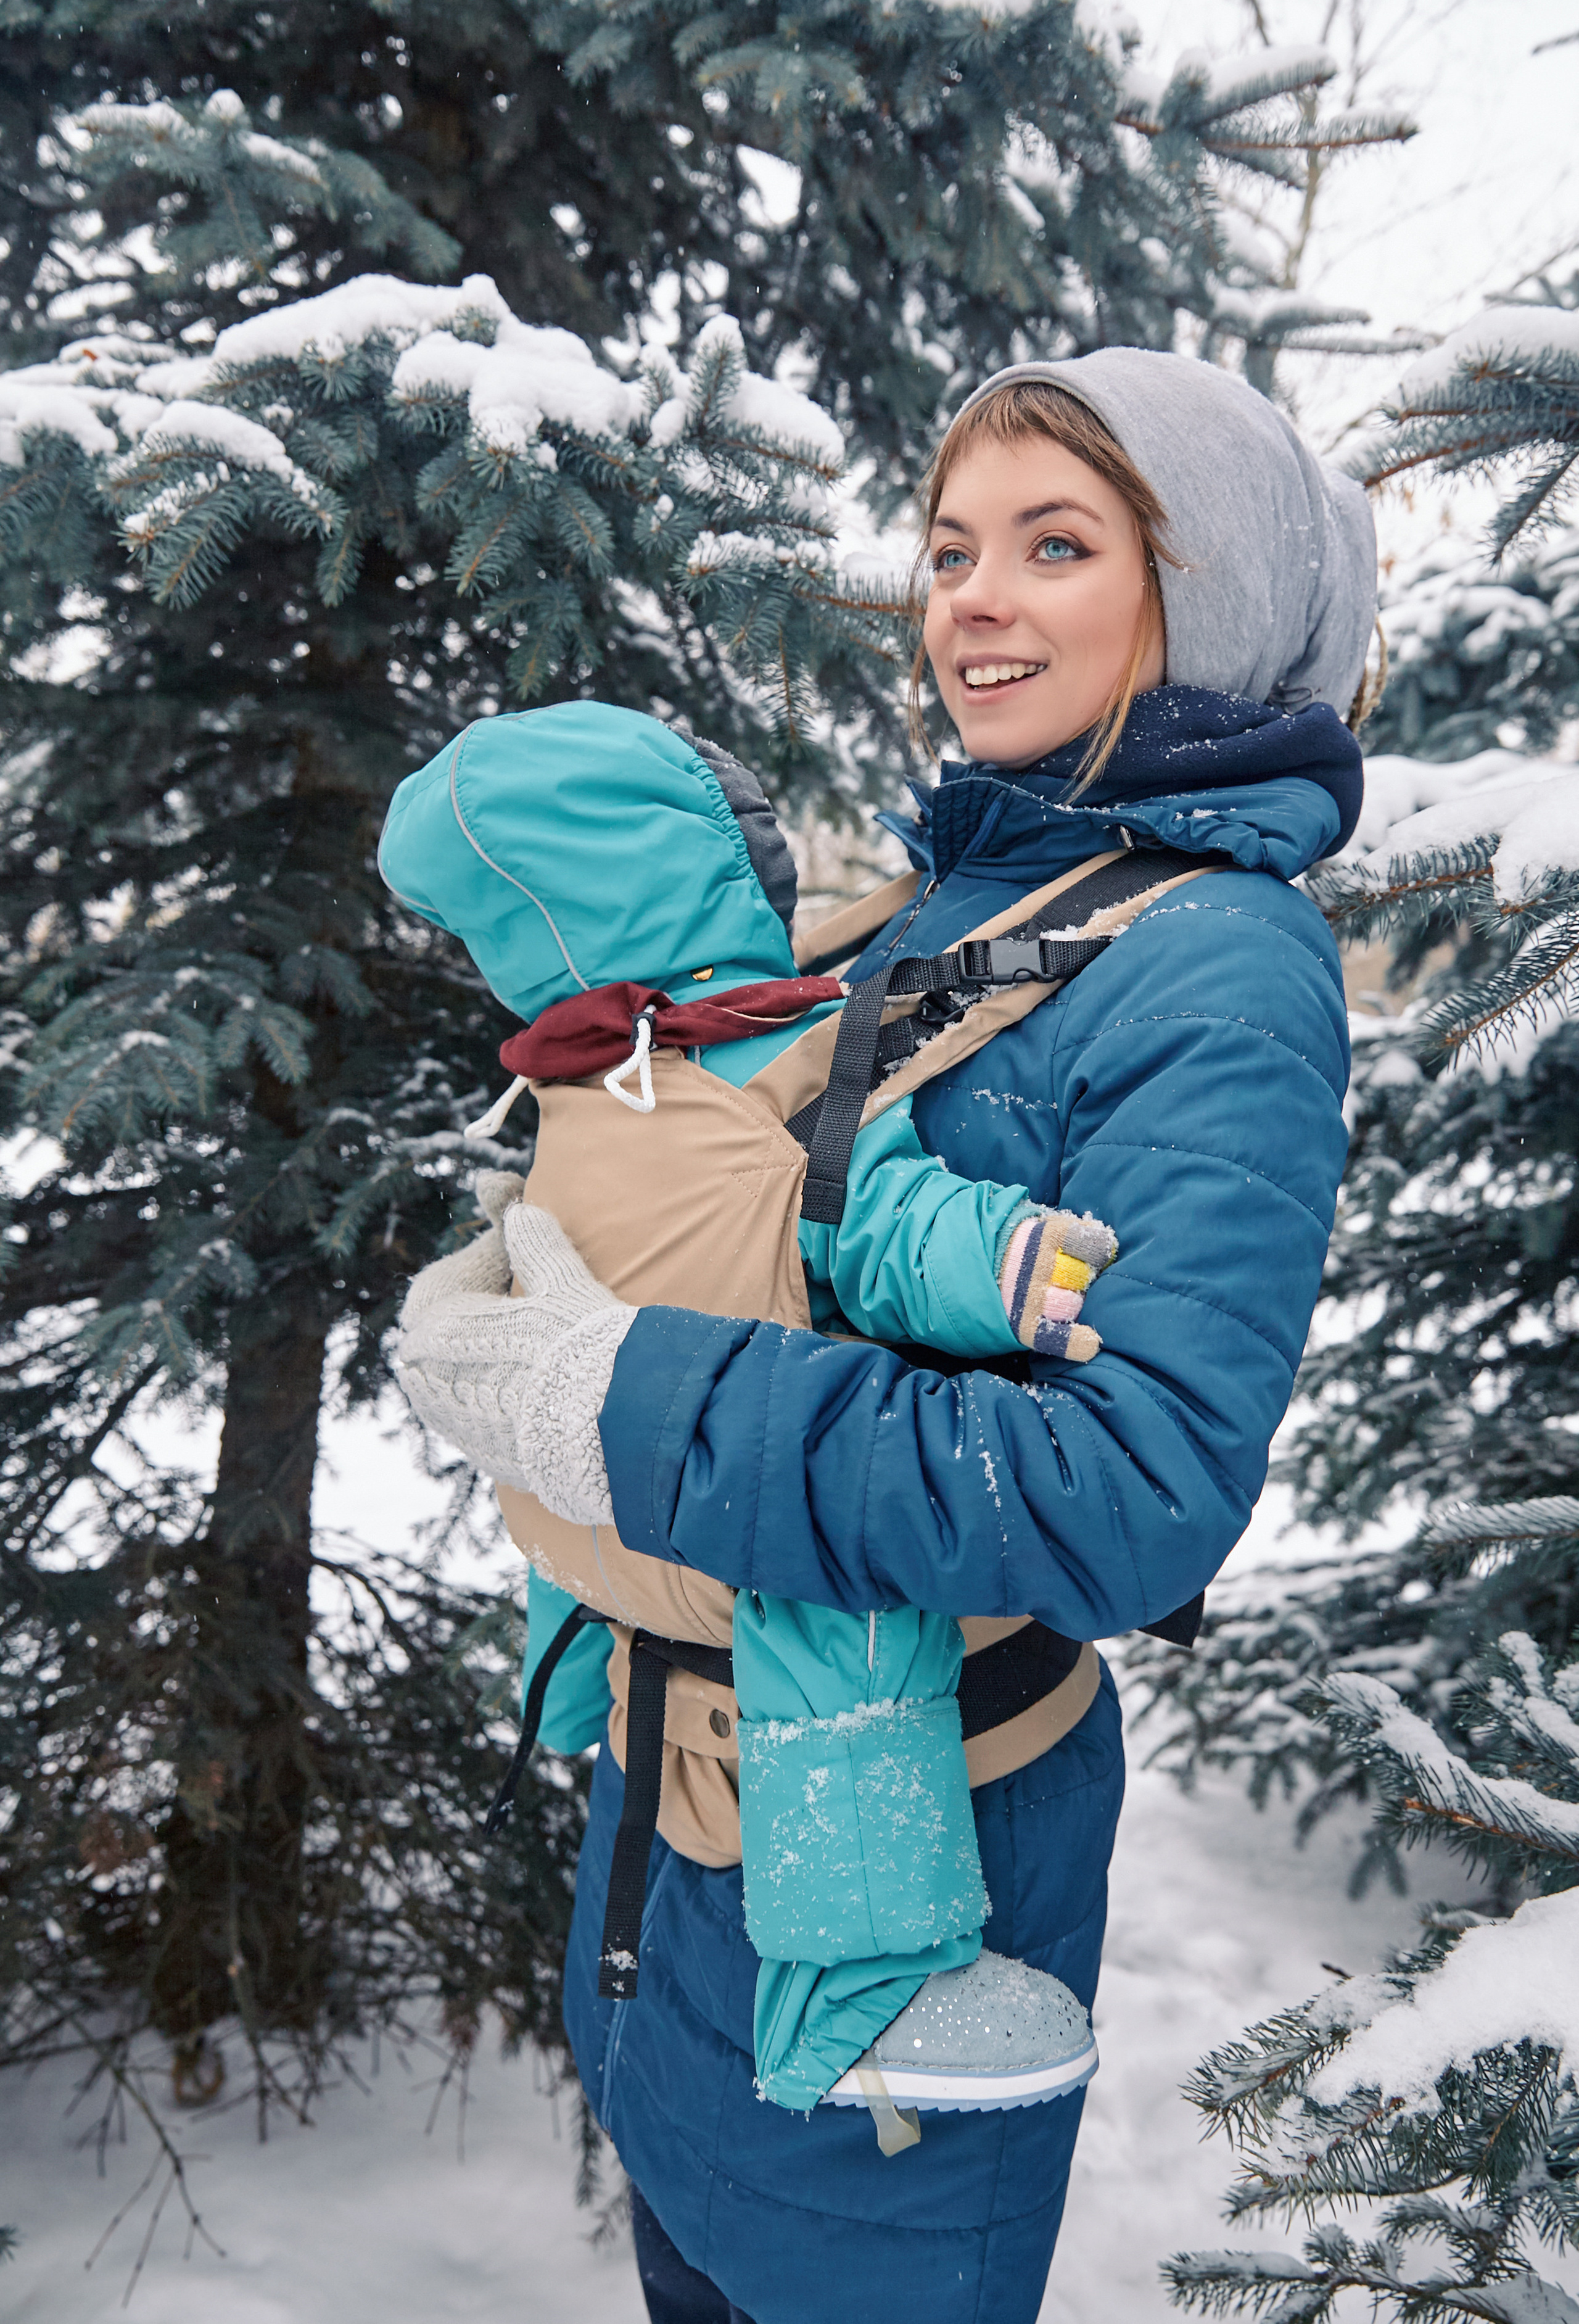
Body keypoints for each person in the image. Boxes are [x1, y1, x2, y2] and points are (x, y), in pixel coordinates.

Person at [394, 348, 1372, 2324]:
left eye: (1057, 544)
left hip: (910, 1845)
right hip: (687, 1821)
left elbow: (1136, 1489)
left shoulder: (1214, 963)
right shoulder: (958, 893)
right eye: (948, 549)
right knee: (700, 2256)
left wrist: (625, 1397)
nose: (972, 599)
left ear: (1219, 596)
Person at [379, 698, 1125, 2120]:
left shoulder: (575, 1081)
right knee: (850, 1608)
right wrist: (1007, 1260)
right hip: (737, 1500)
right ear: (712, 868)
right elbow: (870, 1210)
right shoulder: (783, 1053)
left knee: (565, 1530)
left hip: (604, 1508)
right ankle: (857, 1997)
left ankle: (564, 1697)